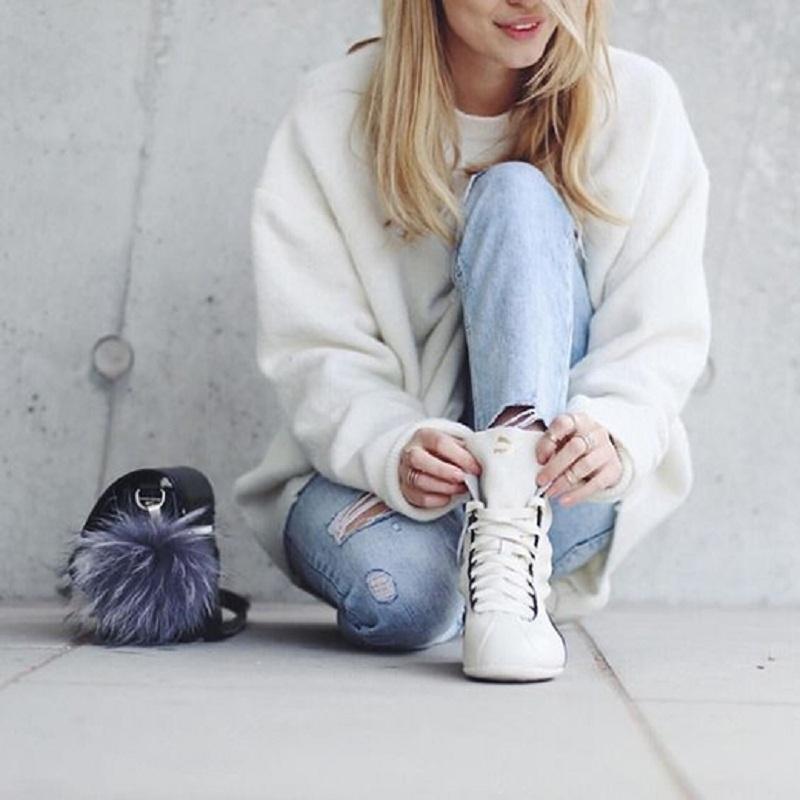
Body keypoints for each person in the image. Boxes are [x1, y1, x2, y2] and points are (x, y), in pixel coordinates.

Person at [233, 0, 711, 681]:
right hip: (377, 476)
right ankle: (487, 575)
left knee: (517, 195)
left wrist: (612, 431)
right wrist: (393, 447)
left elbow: (659, 333)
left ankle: (509, 560)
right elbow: (315, 351)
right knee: (404, 598)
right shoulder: (333, 113)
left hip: (558, 485)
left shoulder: (637, 103)